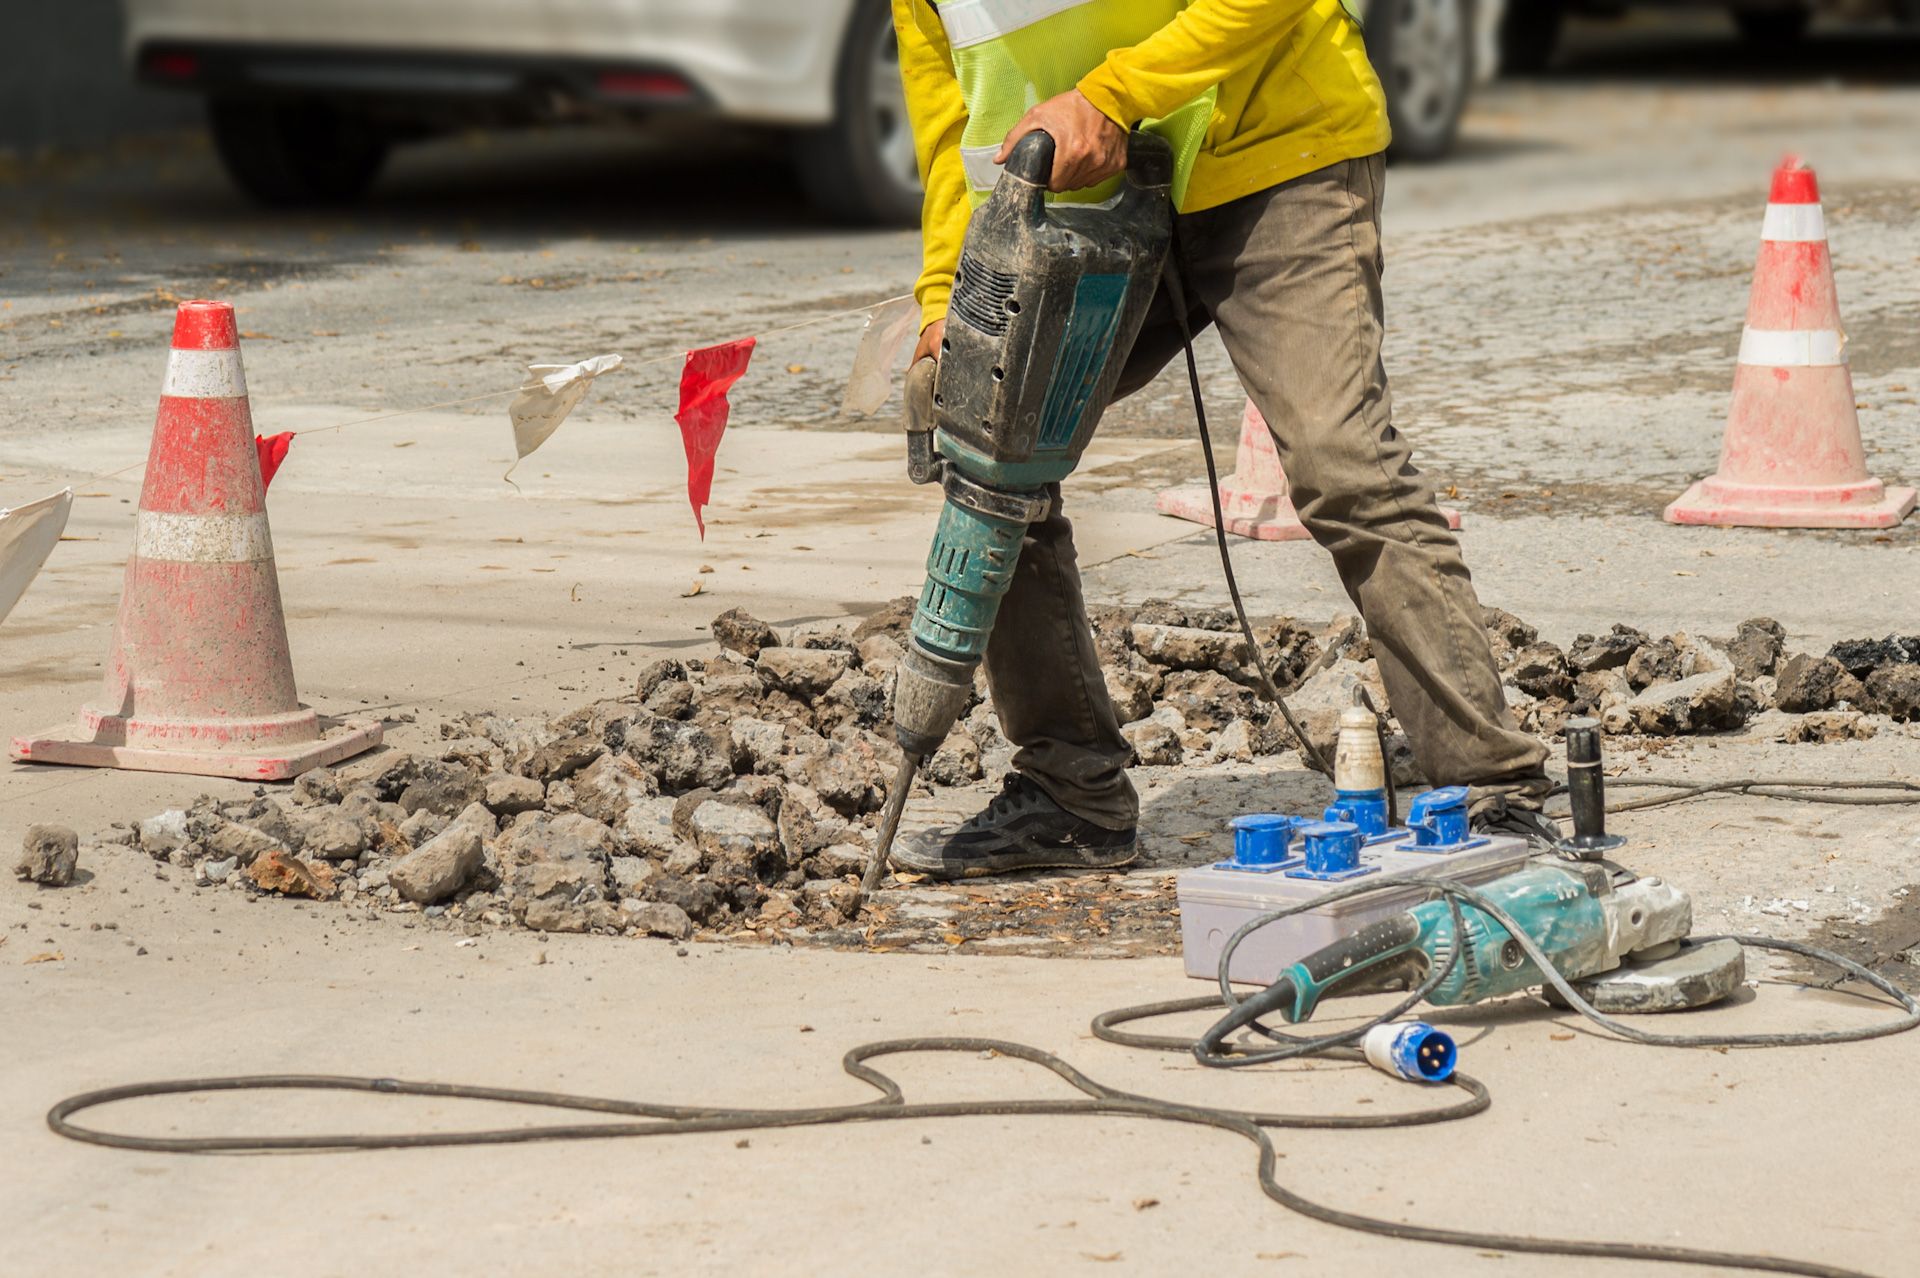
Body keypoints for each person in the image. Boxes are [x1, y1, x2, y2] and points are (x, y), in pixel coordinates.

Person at [889, 0, 1554, 879]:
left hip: (1276, 148)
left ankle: (1489, 785)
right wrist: (945, 297)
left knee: (1339, 460)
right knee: (992, 445)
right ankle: (1071, 793)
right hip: (1091, 192)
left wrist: (1114, 96)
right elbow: (948, 130)